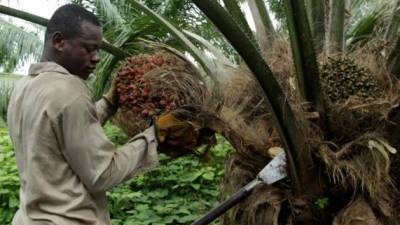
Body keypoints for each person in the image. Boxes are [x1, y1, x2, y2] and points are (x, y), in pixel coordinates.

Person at [7, 4, 201, 225]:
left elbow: (64, 132)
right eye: (89, 49)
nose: (97, 58)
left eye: (98, 49)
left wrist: (109, 104)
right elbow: (103, 173)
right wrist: (154, 136)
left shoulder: (25, 86)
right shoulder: (70, 90)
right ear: (59, 41)